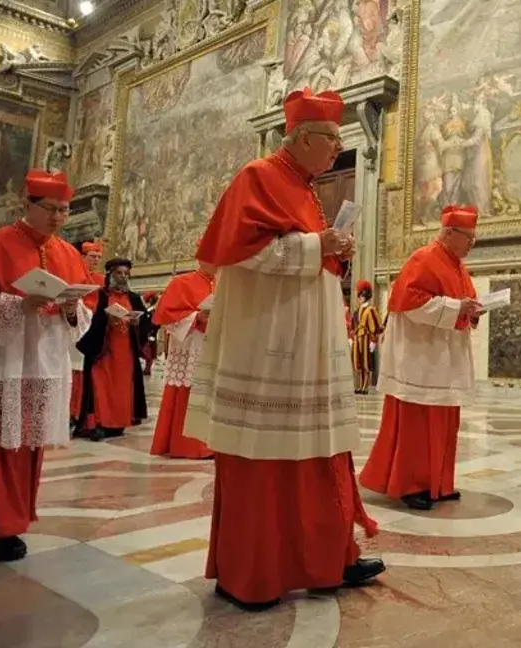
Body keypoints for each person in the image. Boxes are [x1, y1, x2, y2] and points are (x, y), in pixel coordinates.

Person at [186, 87, 382, 611]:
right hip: (267, 341)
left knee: (317, 451)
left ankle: (325, 559)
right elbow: (243, 254)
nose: (338, 148)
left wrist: (334, 248)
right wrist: (321, 244)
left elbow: (300, 251)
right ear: (302, 138)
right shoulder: (259, 176)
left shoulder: (306, 188)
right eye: (333, 138)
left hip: (308, 339)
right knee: (263, 455)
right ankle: (251, 572)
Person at [0, 169, 90, 561]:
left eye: (65, 210)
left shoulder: (68, 253)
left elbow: (81, 315)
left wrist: (74, 309)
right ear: (27, 204)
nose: (59, 218)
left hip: (42, 362)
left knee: (25, 446)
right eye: (51, 209)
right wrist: (16, 306)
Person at [359, 205, 479, 511]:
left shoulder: (457, 266)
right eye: (469, 236)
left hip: (443, 359)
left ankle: (438, 483)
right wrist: (455, 308)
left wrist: (472, 310)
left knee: (445, 423)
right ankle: (410, 484)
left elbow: (460, 302)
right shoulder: (424, 258)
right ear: (450, 233)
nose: (472, 243)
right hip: (421, 359)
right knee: (418, 425)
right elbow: (411, 302)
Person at [76, 258, 150, 442]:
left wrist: (137, 323)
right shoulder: (99, 295)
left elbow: (146, 323)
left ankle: (117, 423)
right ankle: (98, 424)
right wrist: (105, 322)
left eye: (126, 273)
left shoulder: (134, 298)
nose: (123, 277)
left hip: (126, 353)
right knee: (101, 386)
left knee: (123, 388)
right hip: (103, 350)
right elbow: (88, 321)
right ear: (110, 274)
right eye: (119, 273)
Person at [149, 264, 217, 459]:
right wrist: (197, 316)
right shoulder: (182, 282)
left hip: (215, 344)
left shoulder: (225, 283)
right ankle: (189, 446)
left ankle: (212, 444)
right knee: (189, 389)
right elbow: (167, 316)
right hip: (190, 344)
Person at [70, 241, 106, 428]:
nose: (96, 260)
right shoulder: (74, 273)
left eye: (99, 257)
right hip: (72, 326)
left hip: (93, 329)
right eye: (92, 257)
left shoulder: (101, 279)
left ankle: (80, 413)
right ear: (83, 257)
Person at [350, 279, 384, 394]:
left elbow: (376, 326)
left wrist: (373, 341)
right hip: (357, 339)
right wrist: (352, 337)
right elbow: (353, 326)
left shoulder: (371, 310)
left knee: (366, 363)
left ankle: (365, 386)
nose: (359, 297)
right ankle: (360, 385)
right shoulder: (357, 311)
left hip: (366, 339)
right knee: (358, 363)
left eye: (361, 295)